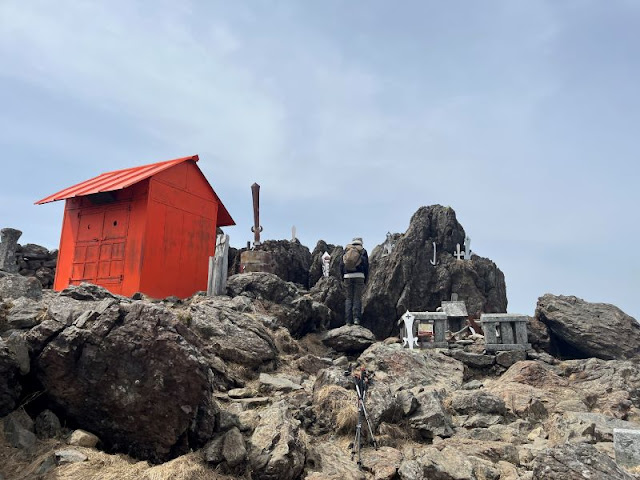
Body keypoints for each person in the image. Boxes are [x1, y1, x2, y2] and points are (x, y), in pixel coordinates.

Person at [340, 237, 369, 325]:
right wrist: (365, 279)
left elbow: (341, 265)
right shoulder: (363, 251)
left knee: (348, 298)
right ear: (361, 243)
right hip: (359, 276)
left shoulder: (346, 250)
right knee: (357, 298)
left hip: (347, 276)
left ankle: (348, 321)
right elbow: (366, 266)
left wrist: (342, 277)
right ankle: (356, 319)